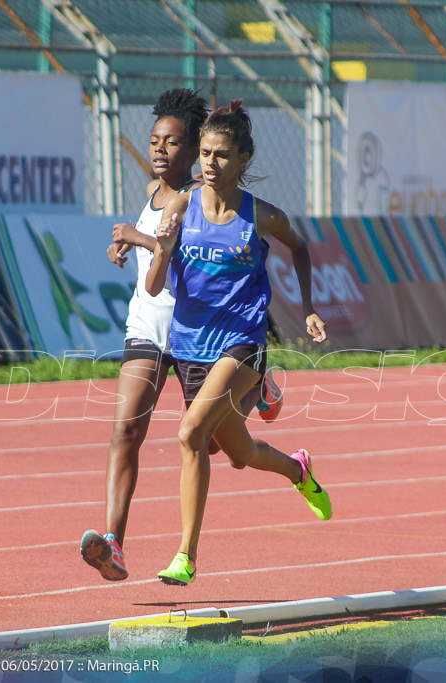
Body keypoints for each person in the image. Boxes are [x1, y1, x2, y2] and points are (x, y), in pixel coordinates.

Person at [79, 90, 282, 582]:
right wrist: (126, 245)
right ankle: (114, 544)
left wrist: (140, 238)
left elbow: (240, 247)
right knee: (126, 429)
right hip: (150, 324)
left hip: (200, 332)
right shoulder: (154, 192)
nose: (160, 150)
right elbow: (156, 259)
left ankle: (257, 385)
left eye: (172, 143)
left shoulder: (204, 194)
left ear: (196, 151)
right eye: (154, 141)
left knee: (215, 448)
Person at [145, 100, 331, 586]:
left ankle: (185, 556)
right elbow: (152, 285)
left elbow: (301, 248)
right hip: (190, 345)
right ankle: (298, 471)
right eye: (205, 152)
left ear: (243, 159)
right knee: (237, 454)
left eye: (221, 155)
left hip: (242, 341)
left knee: (189, 434)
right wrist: (161, 251)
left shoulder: (262, 217)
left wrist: (308, 306)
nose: (209, 163)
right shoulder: (181, 205)